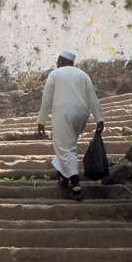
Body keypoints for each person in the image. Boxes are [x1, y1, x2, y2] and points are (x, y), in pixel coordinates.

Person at [36, 50, 105, 201]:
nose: (56, 63)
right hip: (81, 114)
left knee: (65, 148)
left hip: (64, 114)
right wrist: (99, 119)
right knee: (67, 145)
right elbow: (92, 97)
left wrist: (41, 121)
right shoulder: (83, 75)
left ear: (61, 61)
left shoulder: (55, 74)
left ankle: (75, 185)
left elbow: (47, 98)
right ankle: (63, 176)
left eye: (57, 60)